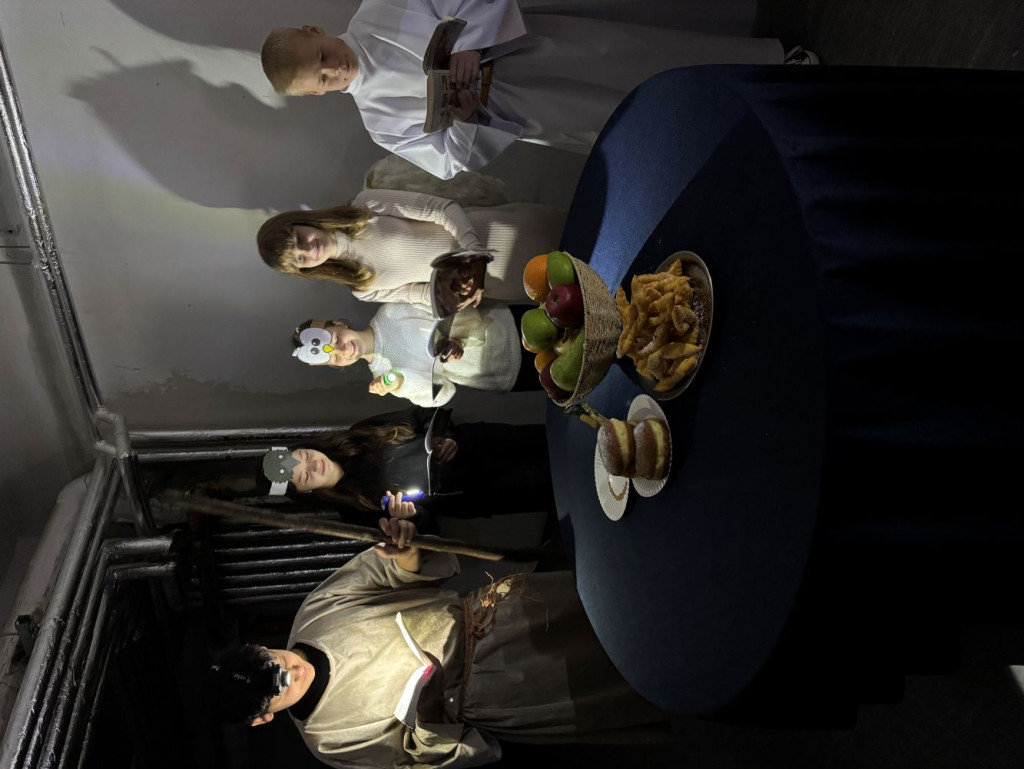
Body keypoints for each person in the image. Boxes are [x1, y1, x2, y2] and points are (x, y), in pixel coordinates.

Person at [207, 523, 667, 768]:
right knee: (629, 683)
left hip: (497, 616)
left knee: (628, 603)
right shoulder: (328, 741)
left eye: (272, 661)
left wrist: (404, 552)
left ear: (260, 645)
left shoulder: (317, 611)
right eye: (278, 688)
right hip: (502, 693)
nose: (290, 672)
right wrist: (429, 717)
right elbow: (417, 759)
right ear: (263, 717)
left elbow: (391, 570)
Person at [260, 1, 815, 179]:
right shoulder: (379, 123)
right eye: (322, 79)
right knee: (625, 113)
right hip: (523, 108)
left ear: (315, 30)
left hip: (526, 48)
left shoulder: (381, 8)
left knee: (634, 54)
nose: (334, 69)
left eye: (322, 55)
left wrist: (469, 42)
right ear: (317, 96)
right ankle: (744, 125)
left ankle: (767, 66)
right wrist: (467, 116)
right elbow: (448, 160)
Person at [261, 405, 555, 532]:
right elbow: (429, 531)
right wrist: (411, 518)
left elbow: (423, 413)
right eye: (305, 475)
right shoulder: (354, 511)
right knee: (558, 487)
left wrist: (445, 437)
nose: (314, 464)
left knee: (558, 441)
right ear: (307, 491)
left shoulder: (358, 433)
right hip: (484, 491)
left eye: (304, 455)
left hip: (482, 442)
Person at [257, 188, 564, 306]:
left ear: (304, 222)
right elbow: (428, 296)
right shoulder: (363, 289)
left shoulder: (365, 206)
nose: (309, 249)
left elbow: (442, 209)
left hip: (502, 234)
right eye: (301, 259)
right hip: (501, 282)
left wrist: (474, 252)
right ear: (306, 270)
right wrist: (458, 297)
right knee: (574, 291)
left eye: (299, 239)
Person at [290, 304, 537, 407]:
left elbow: (452, 304)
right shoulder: (384, 378)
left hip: (510, 327)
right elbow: (443, 394)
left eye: (335, 340)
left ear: (339, 324)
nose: (343, 350)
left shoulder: (391, 312)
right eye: (334, 357)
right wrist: (400, 382)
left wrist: (456, 338)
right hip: (508, 374)